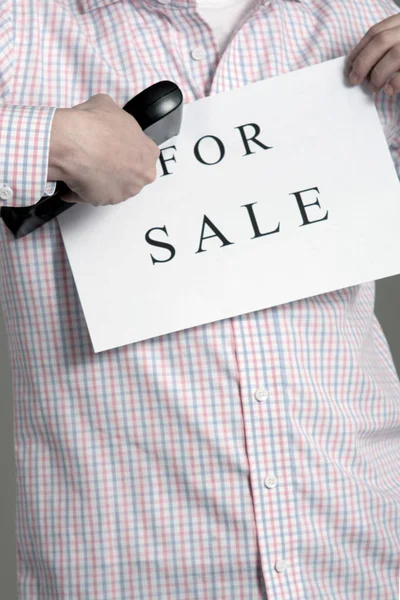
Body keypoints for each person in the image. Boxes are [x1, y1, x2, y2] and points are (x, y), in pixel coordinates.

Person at [0, 0, 399, 598]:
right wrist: (46, 141)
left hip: (358, 557)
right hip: (124, 574)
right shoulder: (19, 23)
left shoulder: (366, 15)